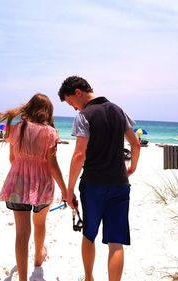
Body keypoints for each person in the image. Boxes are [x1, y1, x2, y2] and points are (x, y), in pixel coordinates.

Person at [58, 76, 140, 281]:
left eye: (71, 103)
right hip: (120, 183)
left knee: (89, 235)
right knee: (116, 243)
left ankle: (89, 278)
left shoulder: (84, 116)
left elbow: (79, 155)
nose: (74, 108)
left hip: (93, 184)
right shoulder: (118, 110)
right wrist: (132, 167)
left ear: (78, 93)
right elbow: (135, 144)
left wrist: (69, 190)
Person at [0, 93, 67, 281]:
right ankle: (38, 258)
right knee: (40, 223)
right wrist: (65, 189)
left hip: (18, 183)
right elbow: (52, 165)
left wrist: (22, 172)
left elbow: (12, 159)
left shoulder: (16, 128)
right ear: (48, 113)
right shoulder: (51, 133)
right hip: (42, 185)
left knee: (21, 232)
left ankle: (22, 279)